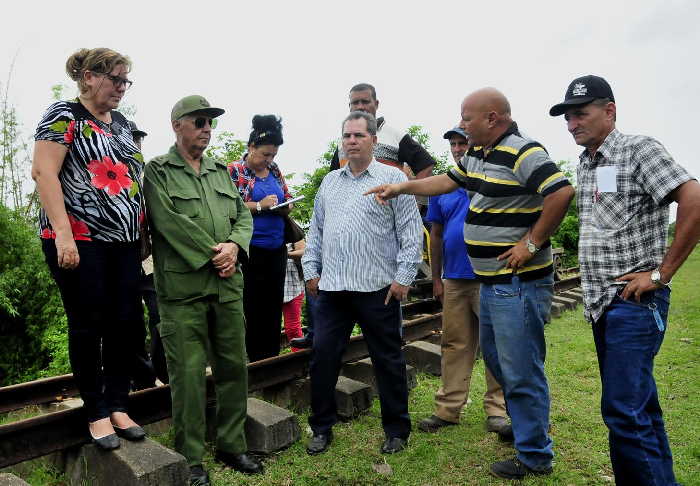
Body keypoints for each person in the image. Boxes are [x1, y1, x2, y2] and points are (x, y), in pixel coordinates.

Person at [365, 87, 575, 480]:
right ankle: (525, 426)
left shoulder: (523, 151)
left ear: (493, 118)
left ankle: (535, 454)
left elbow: (561, 191)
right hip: (491, 282)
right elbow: (445, 182)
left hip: (518, 282)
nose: (462, 125)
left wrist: (531, 243)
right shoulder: (479, 154)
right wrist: (400, 187)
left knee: (521, 365)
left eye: (468, 118)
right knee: (499, 360)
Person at [549, 75, 700, 486]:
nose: (572, 123)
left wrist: (661, 273)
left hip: (634, 303)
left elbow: (693, 198)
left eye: (581, 113)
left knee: (623, 411)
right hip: (604, 304)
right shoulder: (589, 161)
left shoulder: (638, 150)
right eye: (567, 117)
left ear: (610, 111)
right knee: (640, 408)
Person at [31, 47, 147, 451]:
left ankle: (117, 403)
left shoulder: (124, 124)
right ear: (88, 77)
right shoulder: (64, 115)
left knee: (126, 322)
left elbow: (134, 180)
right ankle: (96, 411)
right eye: (115, 79)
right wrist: (63, 234)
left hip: (125, 242)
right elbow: (44, 171)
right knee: (88, 321)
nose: (121, 88)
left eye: (124, 81)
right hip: (79, 239)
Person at [144, 95, 262, 485]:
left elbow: (242, 216)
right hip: (183, 291)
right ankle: (191, 457)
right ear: (177, 124)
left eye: (210, 123)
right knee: (188, 375)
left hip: (227, 287)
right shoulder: (158, 171)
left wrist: (235, 247)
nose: (206, 129)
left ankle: (232, 445)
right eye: (199, 122)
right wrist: (215, 253)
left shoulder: (220, 172)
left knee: (233, 367)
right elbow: (166, 220)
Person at [302, 111, 423, 456]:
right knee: (323, 358)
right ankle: (322, 427)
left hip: (378, 289)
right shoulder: (330, 183)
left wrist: (403, 278)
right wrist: (312, 270)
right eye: (347, 136)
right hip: (334, 290)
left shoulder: (392, 179)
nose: (351, 141)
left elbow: (411, 234)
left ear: (373, 140)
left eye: (358, 135)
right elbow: (317, 231)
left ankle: (397, 430)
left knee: (387, 360)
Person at [417, 126, 508, 436]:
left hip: (491, 277)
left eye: (462, 142)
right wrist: (437, 277)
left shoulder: (492, 177)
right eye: (454, 144)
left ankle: (498, 410)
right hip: (455, 278)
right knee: (454, 344)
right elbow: (437, 234)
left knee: (496, 346)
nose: (457, 148)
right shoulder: (443, 186)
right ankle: (449, 408)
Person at [229, 115, 293, 362]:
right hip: (250, 249)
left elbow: (285, 195)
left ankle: (271, 358)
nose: (269, 160)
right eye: (265, 154)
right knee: (252, 305)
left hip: (277, 247)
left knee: (273, 303)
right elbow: (227, 208)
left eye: (273, 155)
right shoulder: (235, 170)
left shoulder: (274, 170)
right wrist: (259, 206)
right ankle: (255, 359)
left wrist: (285, 206)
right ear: (251, 147)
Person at [330, 83, 435, 179]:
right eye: (355, 103)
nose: (360, 107)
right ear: (350, 106)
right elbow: (334, 177)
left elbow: (425, 165)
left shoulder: (395, 136)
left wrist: (411, 193)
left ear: (376, 104)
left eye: (365, 102)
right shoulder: (342, 142)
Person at [283, 238, 306, 351]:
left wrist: (285, 254)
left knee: (293, 328)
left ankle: (299, 360)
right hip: (270, 285)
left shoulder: (292, 229)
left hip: (292, 286)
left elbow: (304, 251)